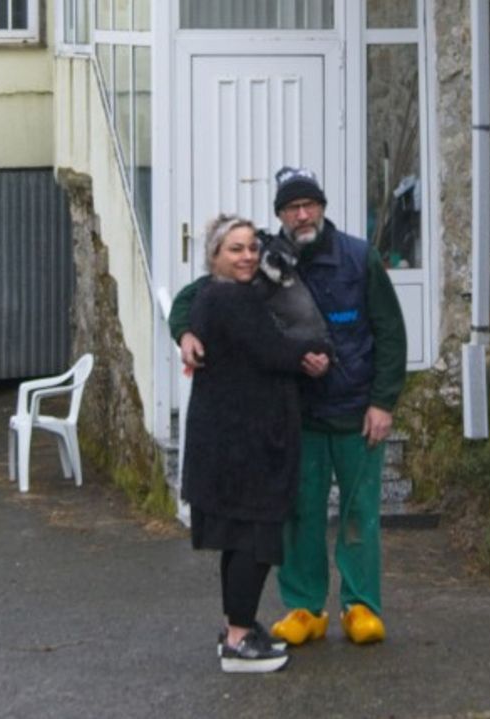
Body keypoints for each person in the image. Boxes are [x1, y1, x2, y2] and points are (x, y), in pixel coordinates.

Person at [170, 166, 408, 646]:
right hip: (295, 416)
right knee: (299, 516)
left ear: (322, 207)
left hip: (355, 411)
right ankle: (304, 607)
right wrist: (186, 331)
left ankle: (361, 605)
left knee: (361, 514)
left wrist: (383, 402)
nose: (302, 214)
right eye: (292, 208)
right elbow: (196, 295)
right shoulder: (264, 257)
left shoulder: (359, 258)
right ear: (279, 215)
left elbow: (391, 332)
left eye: (310, 205)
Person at [178, 213, 330, 673]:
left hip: (229, 443)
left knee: (238, 540)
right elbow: (272, 350)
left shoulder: (216, 295)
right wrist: (315, 354)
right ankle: (240, 642)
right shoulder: (230, 300)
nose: (247, 257)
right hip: (243, 447)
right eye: (235, 249)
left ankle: (235, 627)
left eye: (251, 249)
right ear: (215, 257)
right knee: (253, 540)